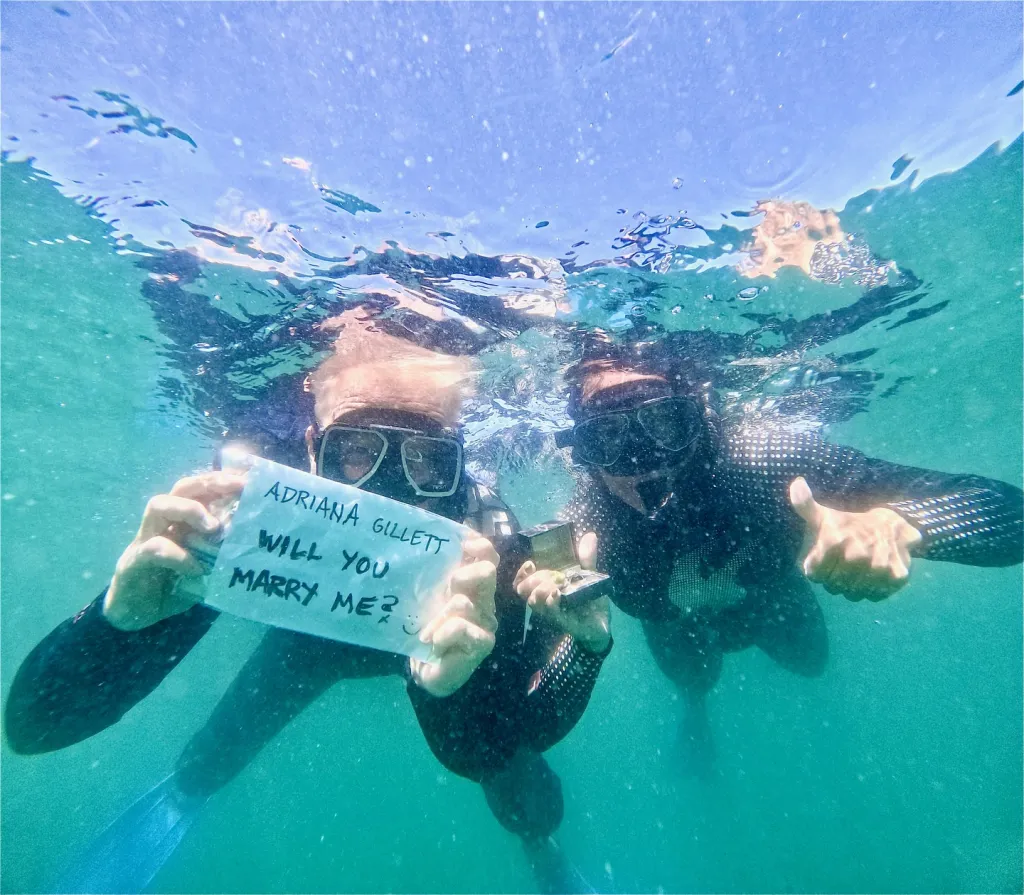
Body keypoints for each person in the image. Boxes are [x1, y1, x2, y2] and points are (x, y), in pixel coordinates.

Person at [4, 319, 613, 894]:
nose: (390, 487)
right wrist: (122, 625)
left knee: (526, 803)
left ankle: (541, 849)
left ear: (458, 464)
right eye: (356, 452)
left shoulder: (483, 538)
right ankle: (188, 789)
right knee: (214, 753)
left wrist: (457, 689)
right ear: (312, 450)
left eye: (427, 459)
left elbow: (505, 742)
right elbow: (38, 726)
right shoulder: (261, 514)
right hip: (310, 641)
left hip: (426, 648)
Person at [555, 333, 1022, 778]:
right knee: (693, 682)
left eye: (664, 422)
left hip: (768, 598)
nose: (644, 457)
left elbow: (1010, 515)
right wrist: (575, 632)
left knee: (811, 662)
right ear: (581, 453)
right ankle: (695, 711)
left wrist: (902, 524)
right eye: (607, 436)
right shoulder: (583, 527)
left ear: (698, 417)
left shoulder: (764, 460)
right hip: (674, 621)